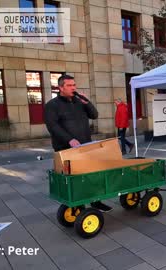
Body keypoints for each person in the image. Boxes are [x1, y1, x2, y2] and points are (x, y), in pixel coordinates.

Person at [44, 74, 112, 212]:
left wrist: (87, 102)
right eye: (69, 85)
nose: (73, 88)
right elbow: (53, 126)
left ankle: (96, 201)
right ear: (60, 88)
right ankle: (77, 206)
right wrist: (69, 139)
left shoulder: (79, 101)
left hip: (85, 146)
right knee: (73, 180)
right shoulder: (52, 105)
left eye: (74, 85)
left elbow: (94, 115)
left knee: (92, 175)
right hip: (65, 149)